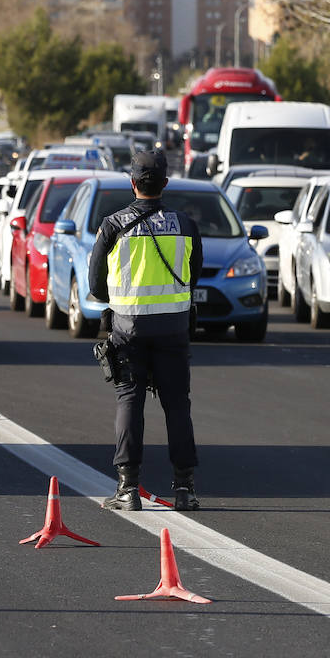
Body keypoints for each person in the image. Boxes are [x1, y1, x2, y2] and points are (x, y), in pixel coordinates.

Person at [88, 149, 204, 512]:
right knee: (177, 407)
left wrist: (124, 298)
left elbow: (95, 285)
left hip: (127, 329)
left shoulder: (112, 225)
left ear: (133, 182)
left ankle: (128, 488)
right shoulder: (186, 225)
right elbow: (192, 276)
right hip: (173, 328)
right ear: (165, 184)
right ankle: (184, 489)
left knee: (129, 402)